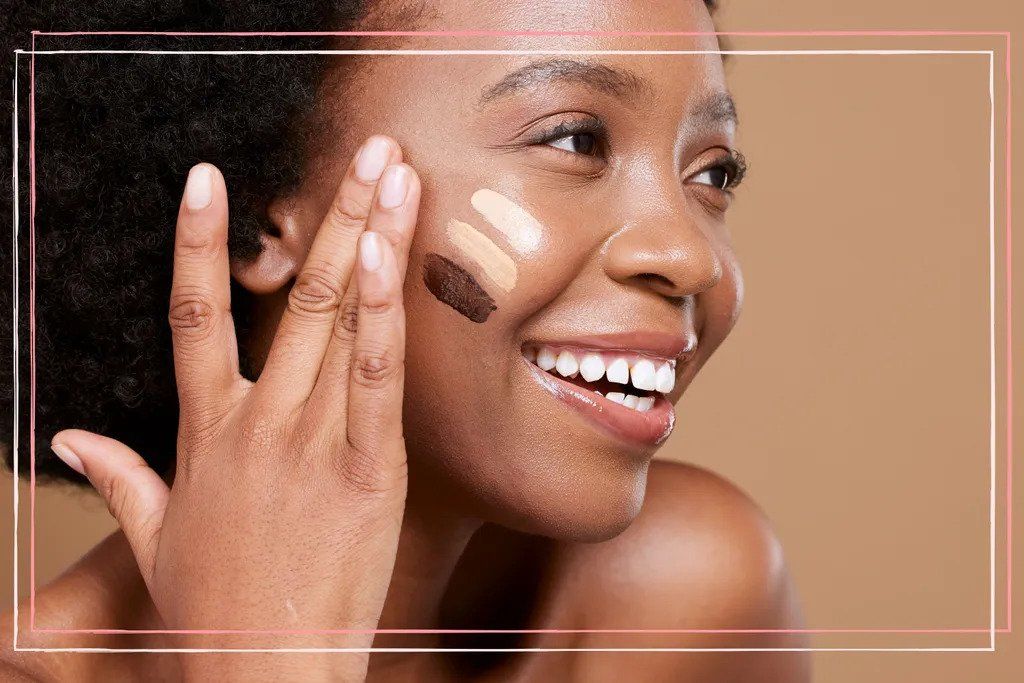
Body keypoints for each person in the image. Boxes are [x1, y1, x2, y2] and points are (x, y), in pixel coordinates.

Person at [0, 0, 812, 680]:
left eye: (712, 173)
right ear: (257, 219)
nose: (691, 256)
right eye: (574, 140)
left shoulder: (675, 603)